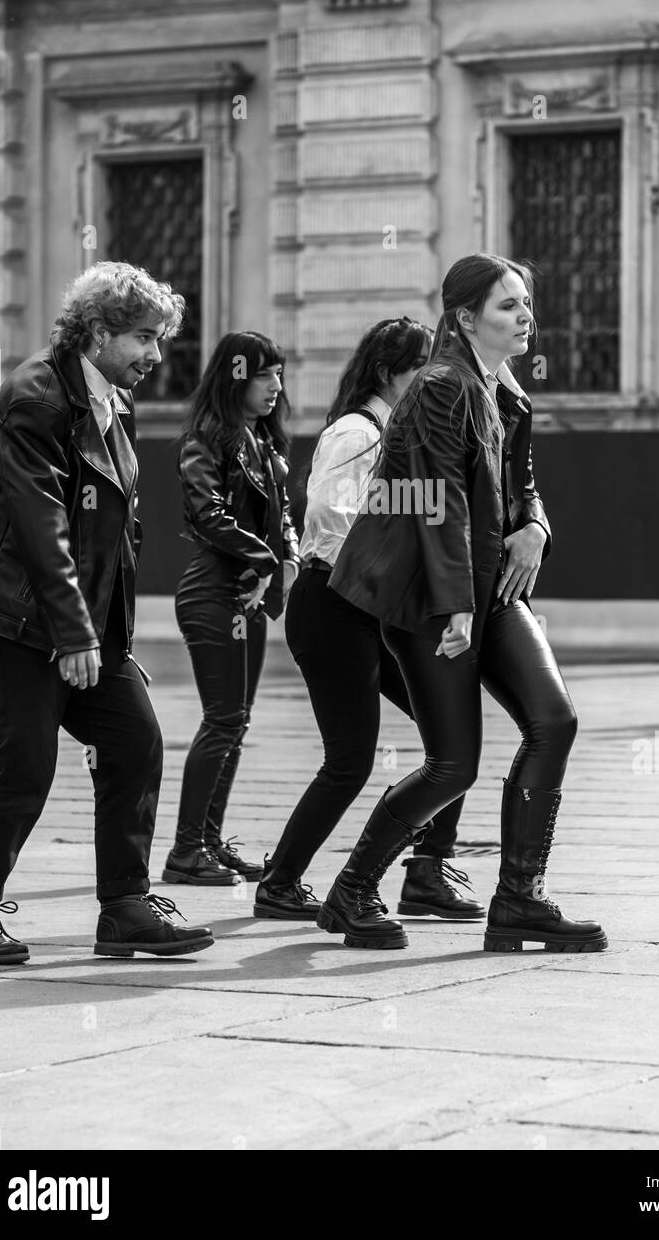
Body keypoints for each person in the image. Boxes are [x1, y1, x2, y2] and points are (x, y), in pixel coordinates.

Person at [315, 252, 607, 953]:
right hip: (430, 594)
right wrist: (455, 608)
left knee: (553, 720)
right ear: (466, 316)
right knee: (454, 763)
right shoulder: (444, 386)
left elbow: (520, 485)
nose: (525, 315)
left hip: (491, 588)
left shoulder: (504, 391)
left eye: (527, 303)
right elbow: (438, 504)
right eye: (509, 305)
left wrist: (536, 526)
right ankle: (352, 892)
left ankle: (519, 901)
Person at [0, 262, 213, 964]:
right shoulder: (35, 399)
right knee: (26, 764)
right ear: (97, 331)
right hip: (13, 616)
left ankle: (125, 908)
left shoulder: (106, 400)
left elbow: (114, 538)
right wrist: (74, 634)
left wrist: (115, 641)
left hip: (84, 624)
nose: (155, 355)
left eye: (159, 339)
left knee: (135, 742)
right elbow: (45, 530)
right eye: (142, 338)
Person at [255, 318, 484, 922]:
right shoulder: (355, 432)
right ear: (388, 373)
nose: (432, 385)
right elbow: (331, 518)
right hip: (333, 607)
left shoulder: (402, 435)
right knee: (350, 759)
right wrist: (411, 525)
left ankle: (427, 872)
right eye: (419, 373)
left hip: (376, 609)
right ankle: (279, 882)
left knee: (451, 736)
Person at [162, 332, 300, 885]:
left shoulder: (262, 442)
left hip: (248, 594)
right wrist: (267, 560)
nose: (275, 386)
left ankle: (208, 843)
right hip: (213, 593)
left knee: (235, 724)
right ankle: (185, 851)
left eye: (279, 374)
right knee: (223, 720)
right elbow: (206, 514)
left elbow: (283, 513)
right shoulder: (209, 437)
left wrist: (285, 559)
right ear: (236, 377)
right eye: (264, 375)